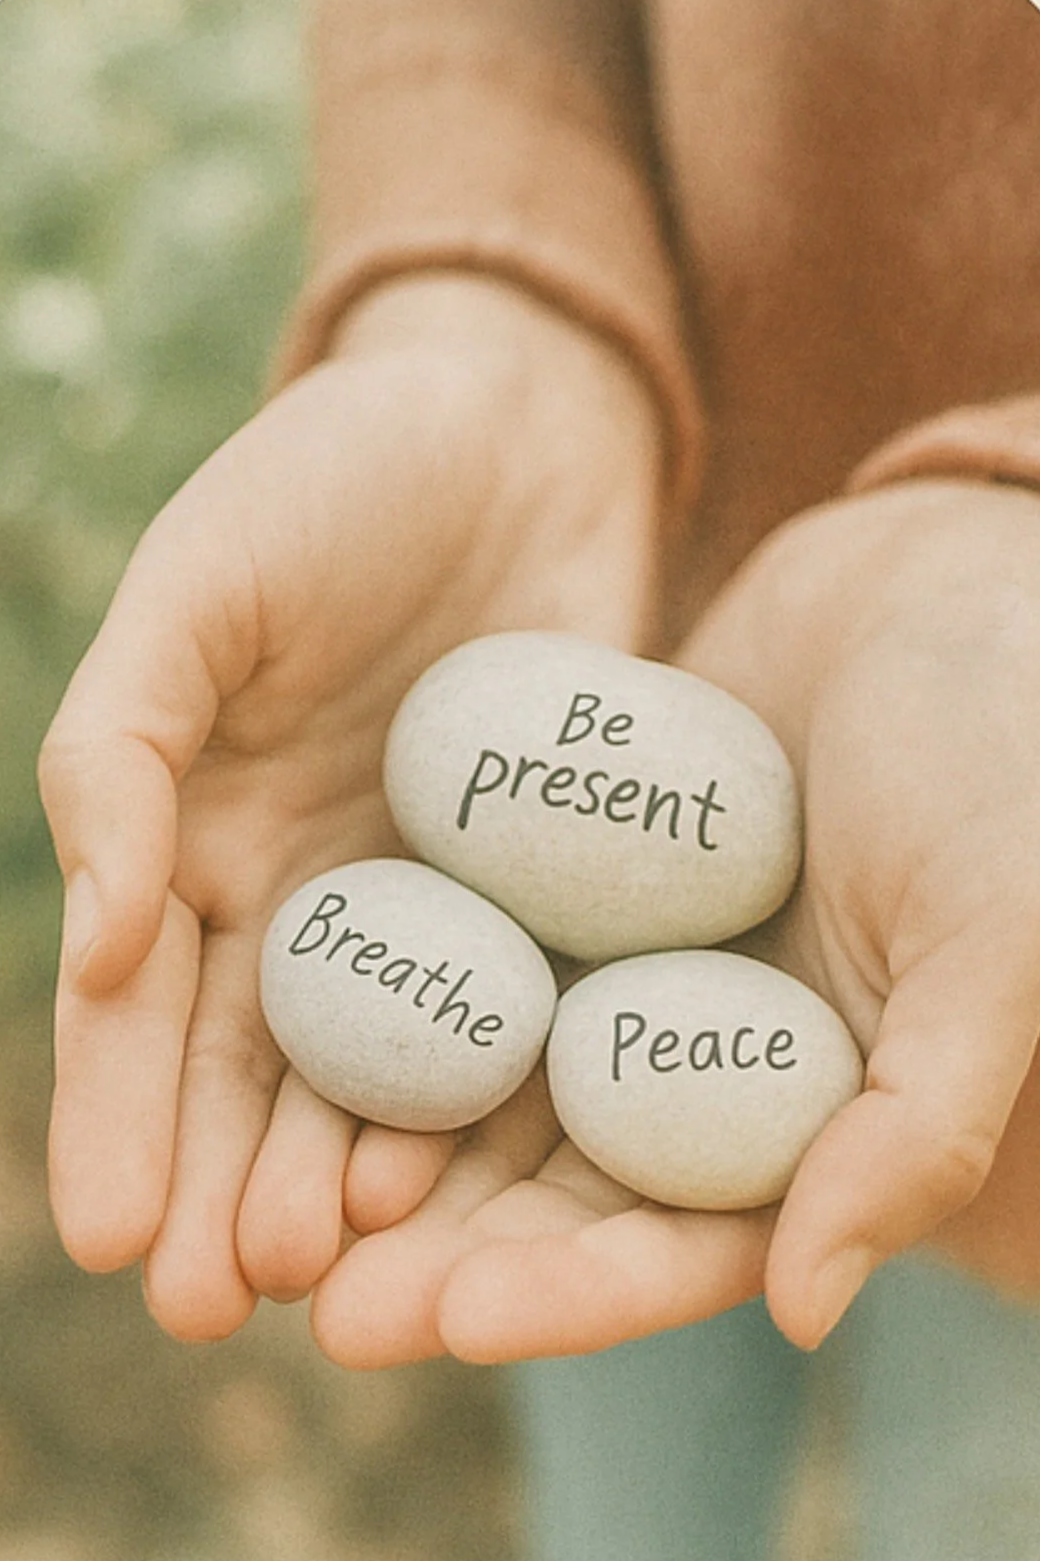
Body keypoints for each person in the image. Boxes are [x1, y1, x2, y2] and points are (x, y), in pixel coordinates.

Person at [38, 1, 1040, 1555]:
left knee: (980, 1482)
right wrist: (481, 280)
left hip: (998, 790)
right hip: (619, 586)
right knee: (625, 1470)